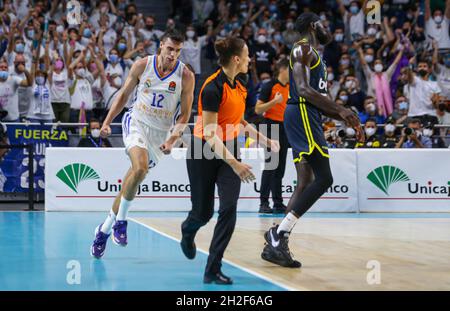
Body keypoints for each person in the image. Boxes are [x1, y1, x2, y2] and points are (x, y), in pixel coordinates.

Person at [261, 13, 363, 268]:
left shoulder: (315, 55)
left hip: (308, 114)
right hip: (303, 113)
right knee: (324, 178)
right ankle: (278, 234)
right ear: (312, 26)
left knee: (306, 181)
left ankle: (276, 243)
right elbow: (304, 90)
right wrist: (341, 109)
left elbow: (318, 98)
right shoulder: (303, 49)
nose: (327, 28)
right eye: (323, 23)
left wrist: (344, 118)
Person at [180, 37, 278, 284]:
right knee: (202, 213)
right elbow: (211, 134)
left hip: (230, 148)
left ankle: (212, 268)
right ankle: (188, 230)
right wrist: (235, 163)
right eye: (247, 55)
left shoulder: (241, 83)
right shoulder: (212, 87)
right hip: (203, 150)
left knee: (228, 208)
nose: (249, 59)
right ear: (236, 59)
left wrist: (265, 141)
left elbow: (240, 121)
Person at [90, 29, 195, 259]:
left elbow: (185, 116)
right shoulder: (142, 65)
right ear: (161, 46)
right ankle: (122, 222)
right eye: (169, 49)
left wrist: (172, 140)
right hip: (136, 122)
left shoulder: (185, 76)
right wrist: (107, 122)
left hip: (161, 135)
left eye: (177, 51)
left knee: (132, 180)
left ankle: (103, 230)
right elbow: (123, 95)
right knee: (139, 168)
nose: (173, 55)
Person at [254, 58, 290, 214]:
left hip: (285, 128)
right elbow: (258, 109)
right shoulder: (269, 85)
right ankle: (263, 202)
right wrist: (274, 102)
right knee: (271, 165)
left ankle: (278, 202)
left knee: (280, 167)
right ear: (282, 69)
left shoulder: (292, 87)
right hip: (270, 127)